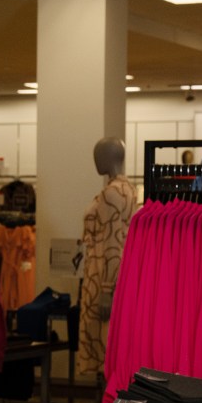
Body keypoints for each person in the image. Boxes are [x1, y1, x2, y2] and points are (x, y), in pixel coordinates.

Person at [79, 137, 136, 378]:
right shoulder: (128, 189)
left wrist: (104, 289)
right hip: (116, 275)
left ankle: (106, 401)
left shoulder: (111, 194)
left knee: (104, 341)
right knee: (111, 340)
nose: (95, 160)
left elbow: (112, 244)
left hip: (103, 276)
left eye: (98, 155)